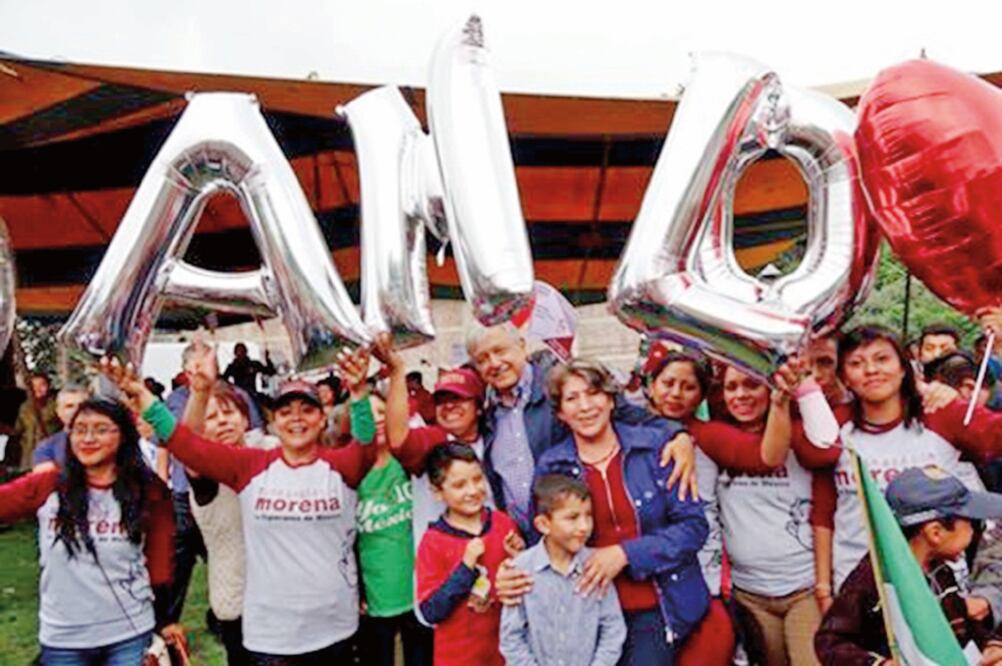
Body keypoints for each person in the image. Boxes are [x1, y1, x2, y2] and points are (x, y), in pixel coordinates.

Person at [109, 343, 402, 664]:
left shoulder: (340, 466)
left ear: (322, 419)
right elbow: (186, 445)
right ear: (273, 421)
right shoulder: (250, 465)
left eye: (307, 410)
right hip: (271, 635)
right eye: (286, 412)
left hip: (334, 627)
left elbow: (365, 445)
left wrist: (358, 391)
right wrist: (145, 396)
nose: (297, 419)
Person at [784, 325, 1002, 596]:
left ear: (903, 368)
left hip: (938, 587)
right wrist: (824, 589)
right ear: (845, 378)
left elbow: (994, 436)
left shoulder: (940, 414)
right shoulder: (834, 427)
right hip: (858, 587)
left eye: (882, 359)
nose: (871, 370)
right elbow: (824, 508)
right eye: (856, 363)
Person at [532, 358, 709, 665]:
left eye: (593, 393)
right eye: (572, 399)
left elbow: (693, 527)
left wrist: (626, 554)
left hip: (658, 604)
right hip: (588, 609)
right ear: (561, 413)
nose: (585, 406)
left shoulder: (655, 448)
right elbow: (543, 537)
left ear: (611, 400)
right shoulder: (552, 466)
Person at [465, 322, 696, 539]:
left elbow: (633, 416)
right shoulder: (487, 414)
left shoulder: (559, 387)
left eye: (500, 351)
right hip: (528, 542)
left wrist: (678, 434)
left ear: (522, 346)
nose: (494, 363)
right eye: (482, 359)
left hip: (581, 532)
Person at [0, 398, 175, 664]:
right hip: (64, 637)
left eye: (101, 429)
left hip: (129, 633)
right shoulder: (47, 486)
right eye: (79, 430)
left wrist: (167, 619)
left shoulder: (149, 491)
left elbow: (161, 563)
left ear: (124, 435)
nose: (88, 438)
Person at [815, 466, 1002, 665]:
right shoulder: (873, 578)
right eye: (974, 524)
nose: (976, 533)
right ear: (935, 533)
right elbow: (829, 641)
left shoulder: (940, 571)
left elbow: (959, 625)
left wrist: (990, 645)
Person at [183, 380, 278, 665]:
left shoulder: (272, 453)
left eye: (229, 413)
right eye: (211, 417)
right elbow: (187, 446)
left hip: (283, 594)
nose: (222, 422)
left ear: (245, 417)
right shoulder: (205, 476)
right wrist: (199, 393)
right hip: (239, 603)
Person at [500, 474, 627, 666]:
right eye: (572, 518)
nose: (584, 527)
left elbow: (613, 629)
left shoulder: (596, 566)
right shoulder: (522, 569)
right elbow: (511, 638)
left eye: (588, 516)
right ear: (544, 524)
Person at [416, 443, 523, 666]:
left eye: (477, 479)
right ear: (437, 492)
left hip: (506, 653)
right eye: (459, 485)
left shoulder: (502, 524)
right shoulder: (433, 542)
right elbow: (431, 611)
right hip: (458, 657)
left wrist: (520, 557)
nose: (473, 490)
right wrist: (465, 568)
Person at [356, 388, 433, 666]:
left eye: (382, 412)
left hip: (416, 587)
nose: (377, 420)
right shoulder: (352, 474)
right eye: (369, 414)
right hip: (376, 593)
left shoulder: (410, 464)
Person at [32, 384, 90, 471]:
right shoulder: (47, 448)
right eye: (69, 406)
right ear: (59, 411)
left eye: (82, 406)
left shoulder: (109, 439)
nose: (76, 410)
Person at [12, 372, 60, 469]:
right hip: (28, 456)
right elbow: (18, 429)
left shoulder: (57, 405)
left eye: (42, 385)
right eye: (34, 386)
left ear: (48, 386)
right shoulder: (25, 407)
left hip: (49, 454)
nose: (38, 389)